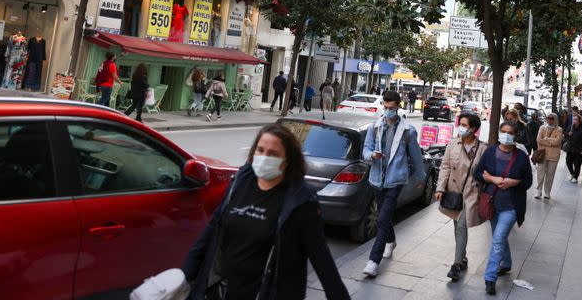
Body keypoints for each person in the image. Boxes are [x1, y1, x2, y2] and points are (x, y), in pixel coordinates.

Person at [182, 124, 350, 300]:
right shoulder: (241, 181)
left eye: (273, 154)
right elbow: (212, 228)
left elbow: (321, 257)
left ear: (286, 161)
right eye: (260, 150)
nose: (264, 157)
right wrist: (185, 275)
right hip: (220, 291)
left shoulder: (299, 201)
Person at [362, 90, 426, 278]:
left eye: (391, 107)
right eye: (385, 107)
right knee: (384, 215)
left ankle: (373, 261)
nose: (388, 110)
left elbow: (416, 157)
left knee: (381, 218)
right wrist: (371, 155)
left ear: (398, 106)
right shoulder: (375, 126)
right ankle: (390, 240)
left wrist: (421, 178)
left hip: (395, 180)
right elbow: (366, 149)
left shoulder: (408, 131)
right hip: (377, 178)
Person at [473, 121, 533, 296]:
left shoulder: (521, 157)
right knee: (499, 237)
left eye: (510, 132)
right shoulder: (490, 152)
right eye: (503, 131)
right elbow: (477, 173)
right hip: (492, 203)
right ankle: (506, 264)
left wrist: (515, 182)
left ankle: (490, 278)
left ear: (515, 136)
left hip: (512, 206)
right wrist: (492, 179)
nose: (506, 135)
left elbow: (528, 182)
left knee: (498, 238)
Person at [435, 113, 488, 282]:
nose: (461, 127)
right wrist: (440, 188)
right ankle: (463, 257)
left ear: (473, 129)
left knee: (461, 227)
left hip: (472, 194)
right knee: (457, 226)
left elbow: (486, 172)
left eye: (464, 125)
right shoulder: (453, 144)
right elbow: (445, 167)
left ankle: (456, 264)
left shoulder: (482, 148)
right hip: (454, 192)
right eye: (460, 124)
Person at [534, 112, 563, 200]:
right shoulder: (542, 127)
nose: (549, 120)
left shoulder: (559, 129)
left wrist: (546, 139)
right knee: (540, 174)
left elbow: (557, 142)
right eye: (548, 118)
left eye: (551, 118)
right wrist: (551, 142)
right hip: (542, 155)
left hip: (553, 156)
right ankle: (538, 191)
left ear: (555, 120)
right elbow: (538, 140)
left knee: (550, 175)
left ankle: (547, 192)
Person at [565, 113, 582, 182]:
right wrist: (568, 134)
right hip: (570, 148)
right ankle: (572, 173)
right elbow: (565, 135)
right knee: (568, 162)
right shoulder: (571, 127)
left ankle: (576, 177)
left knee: (577, 164)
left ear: (579, 120)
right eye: (573, 119)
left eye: (576, 119)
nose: (574, 121)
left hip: (579, 149)